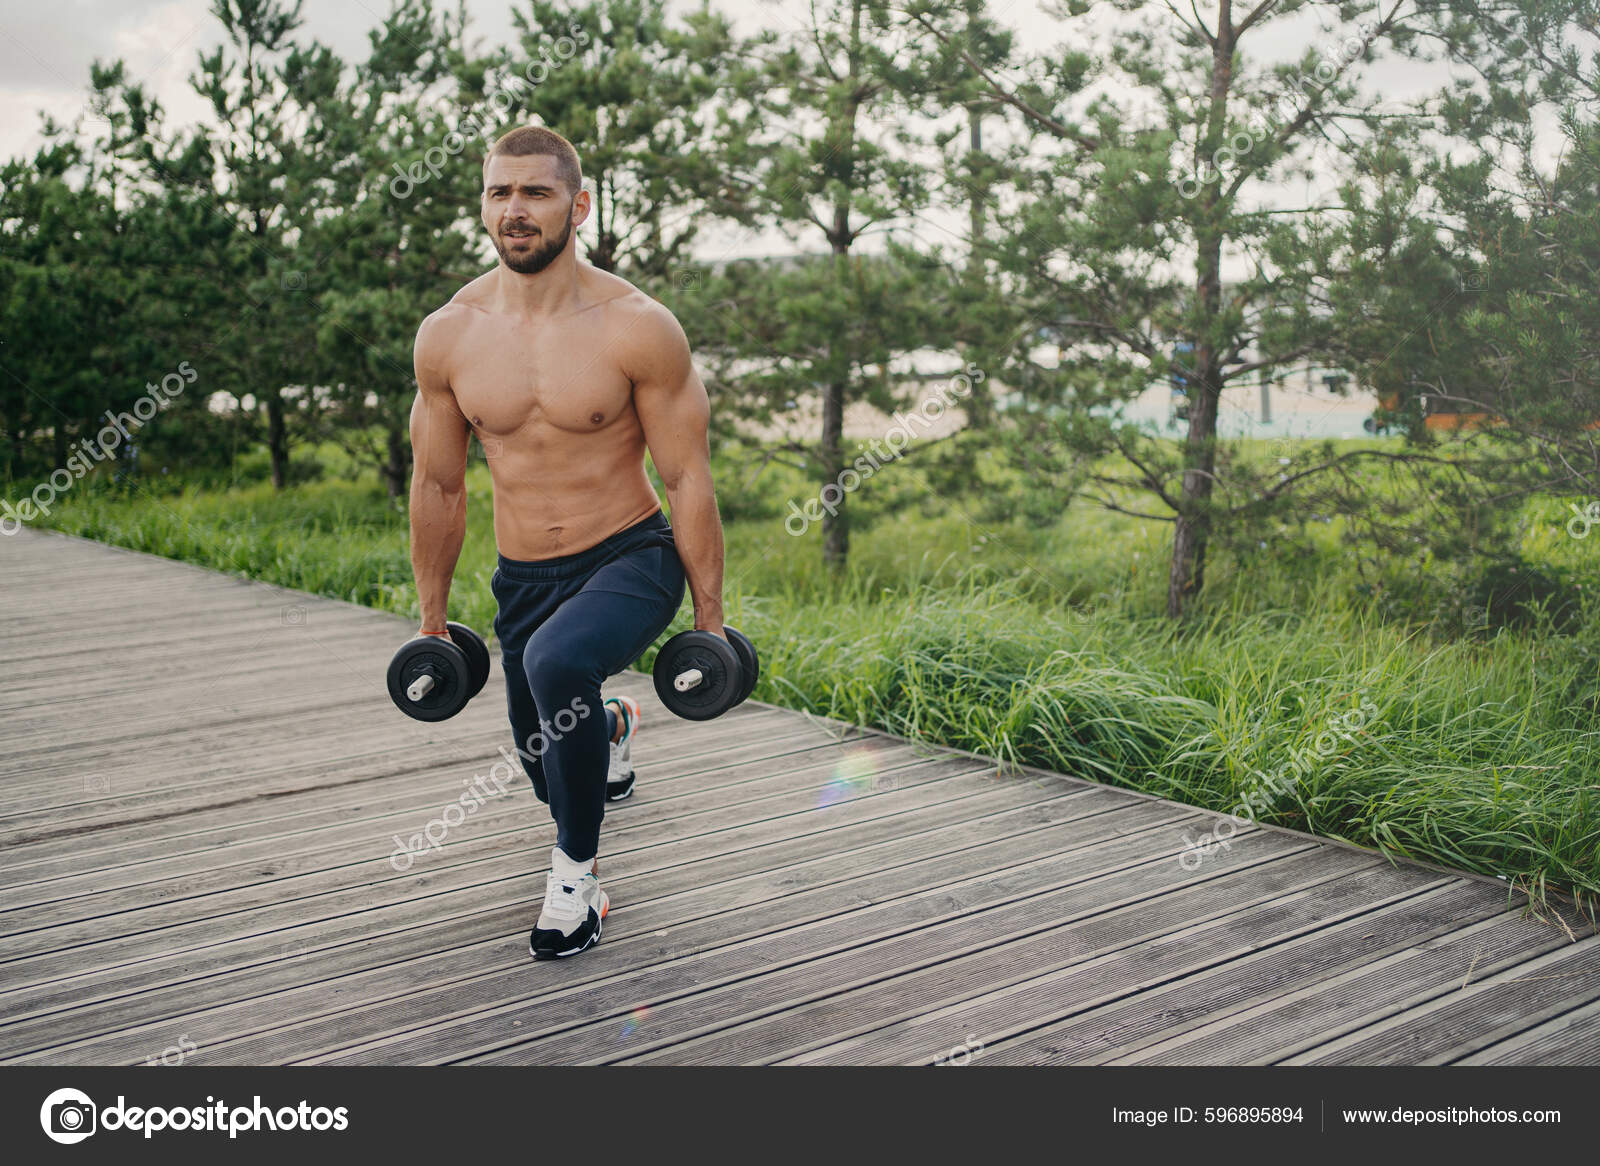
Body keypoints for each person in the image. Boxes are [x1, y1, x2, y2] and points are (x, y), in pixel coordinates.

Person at [407, 125, 728, 959]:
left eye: (536, 193)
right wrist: (432, 623)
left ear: (578, 206)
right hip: (525, 579)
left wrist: (712, 623)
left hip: (629, 554)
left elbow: (689, 477)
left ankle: (576, 888)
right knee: (542, 763)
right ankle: (611, 732)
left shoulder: (637, 327)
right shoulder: (449, 336)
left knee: (556, 665)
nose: (515, 210)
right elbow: (440, 486)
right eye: (499, 193)